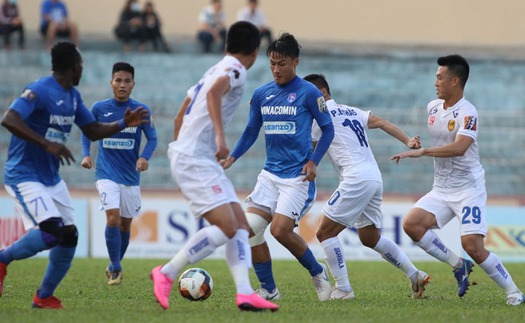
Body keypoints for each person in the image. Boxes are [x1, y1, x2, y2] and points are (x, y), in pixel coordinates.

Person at [0, 42, 149, 309]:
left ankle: (43, 296)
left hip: (50, 178)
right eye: (80, 64)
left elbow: (92, 130)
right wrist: (47, 144)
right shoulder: (39, 90)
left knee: (69, 236)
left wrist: (123, 123)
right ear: (72, 66)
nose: (82, 68)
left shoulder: (73, 96)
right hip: (24, 175)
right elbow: (9, 118)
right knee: (51, 232)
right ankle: (2, 260)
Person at [150, 21, 278, 312]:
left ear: (225, 44)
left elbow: (179, 117)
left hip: (196, 157)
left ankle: (245, 293)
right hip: (195, 159)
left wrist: (185, 148)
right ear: (256, 51)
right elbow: (212, 95)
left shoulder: (213, 69)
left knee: (241, 227)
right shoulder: (235, 70)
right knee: (230, 226)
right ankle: (167, 273)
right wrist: (217, 139)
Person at [391, 54, 524, 306]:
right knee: (412, 224)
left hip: (468, 189)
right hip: (441, 188)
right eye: (435, 77)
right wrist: (417, 142)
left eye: (440, 77)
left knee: (472, 245)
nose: (435, 82)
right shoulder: (432, 107)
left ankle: (514, 292)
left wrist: (424, 151)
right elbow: (441, 140)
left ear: (454, 81)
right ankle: (458, 264)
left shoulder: (468, 112)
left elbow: (460, 147)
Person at [221, 33, 335, 301]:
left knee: (279, 230)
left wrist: (313, 161)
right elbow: (251, 130)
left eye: (282, 63)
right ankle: (269, 289)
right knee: (249, 230)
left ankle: (318, 273)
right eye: (272, 63)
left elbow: (328, 129)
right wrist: (232, 157)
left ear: (295, 62)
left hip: (297, 178)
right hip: (270, 176)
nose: (276, 69)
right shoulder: (262, 94)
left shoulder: (309, 93)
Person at [304, 73, 429, 300]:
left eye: (308, 96)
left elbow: (310, 153)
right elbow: (382, 122)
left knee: (324, 232)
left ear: (322, 93)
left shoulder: (319, 118)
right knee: (369, 237)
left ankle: (343, 288)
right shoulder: (352, 111)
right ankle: (415, 274)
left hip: (356, 178)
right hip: (373, 177)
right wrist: (408, 140)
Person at [80, 62, 158, 286]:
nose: (122, 85)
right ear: (111, 83)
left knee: (125, 225)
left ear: (133, 84)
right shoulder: (99, 108)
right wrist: (86, 154)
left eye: (126, 81)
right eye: (118, 80)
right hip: (106, 173)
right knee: (112, 218)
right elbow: (88, 132)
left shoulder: (141, 110)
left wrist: (144, 157)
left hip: (131, 176)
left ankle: (114, 263)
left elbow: (152, 138)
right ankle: (115, 267)